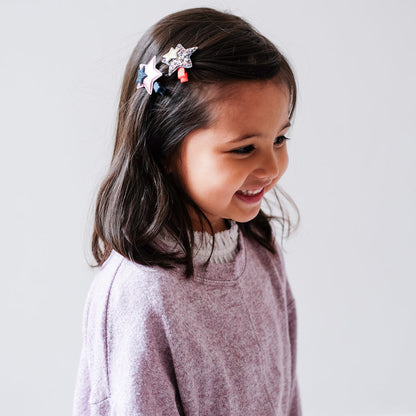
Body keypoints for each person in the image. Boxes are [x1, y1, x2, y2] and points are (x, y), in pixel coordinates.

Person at [73, 7, 301, 416]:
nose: (271, 167)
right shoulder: (141, 293)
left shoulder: (259, 249)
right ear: (164, 148)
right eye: (243, 148)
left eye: (280, 139)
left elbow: (287, 400)